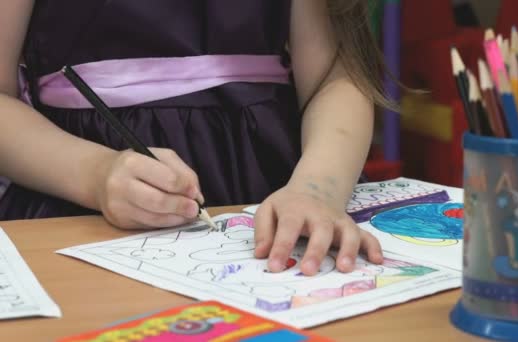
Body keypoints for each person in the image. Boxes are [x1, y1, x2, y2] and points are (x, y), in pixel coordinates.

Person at [0, 0, 390, 276]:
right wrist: (94, 174)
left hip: (274, 194)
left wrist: (317, 190)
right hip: (77, 205)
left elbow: (334, 80)